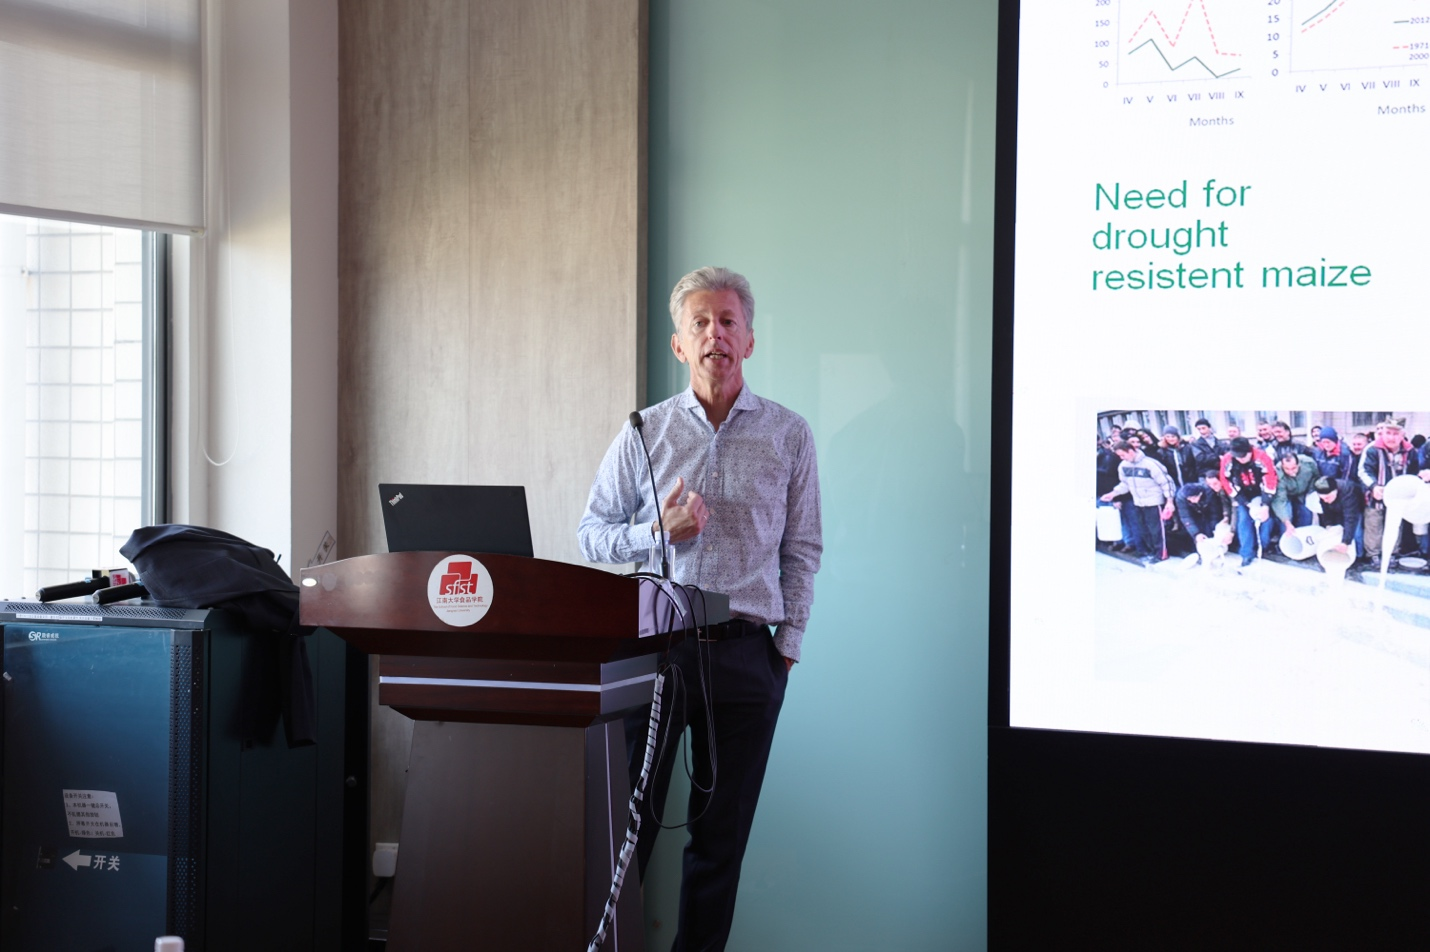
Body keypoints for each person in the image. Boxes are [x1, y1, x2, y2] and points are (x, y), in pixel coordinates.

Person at [577, 266, 822, 952]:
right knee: (626, 838)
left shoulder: (789, 435)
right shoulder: (644, 431)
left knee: (721, 847)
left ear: (750, 340)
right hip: (657, 655)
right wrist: (658, 532)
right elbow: (591, 534)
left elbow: (803, 549)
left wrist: (786, 652)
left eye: (728, 321)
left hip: (747, 661)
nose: (716, 333)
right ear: (680, 344)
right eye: (701, 323)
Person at [1358, 418, 1420, 564]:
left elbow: (1414, 472)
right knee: (1374, 525)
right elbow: (1363, 471)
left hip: (1399, 498)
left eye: (1395, 434)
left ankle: (1392, 553)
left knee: (1395, 525)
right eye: (1388, 433)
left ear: (1402, 435)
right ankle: (1373, 554)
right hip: (1376, 497)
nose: (1391, 437)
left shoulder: (1410, 451)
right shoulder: (1372, 449)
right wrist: (1373, 486)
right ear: (1383, 433)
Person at [1100, 440, 1174, 563]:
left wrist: (1169, 501)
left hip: (1154, 502)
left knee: (1156, 530)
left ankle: (1161, 554)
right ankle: (1152, 552)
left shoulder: (1150, 464)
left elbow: (1166, 482)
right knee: (1144, 530)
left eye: (1123, 455)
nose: (1121, 458)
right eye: (1119, 456)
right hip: (1138, 502)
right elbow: (1125, 484)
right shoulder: (1123, 466)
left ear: (1130, 451)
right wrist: (1113, 493)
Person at [1220, 436, 1278, 566]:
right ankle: (1246, 553)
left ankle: (1262, 547)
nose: (1240, 459)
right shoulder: (1228, 460)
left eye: (1243, 456)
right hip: (1242, 493)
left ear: (1249, 451)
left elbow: (1270, 478)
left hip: (1261, 491)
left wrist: (1265, 504)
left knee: (1265, 520)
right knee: (1243, 520)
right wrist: (1244, 501)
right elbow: (1225, 481)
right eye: (1237, 456)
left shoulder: (1262, 457)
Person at [1175, 468, 1230, 550]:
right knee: (1196, 533)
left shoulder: (1208, 492)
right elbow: (1185, 517)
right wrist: (1196, 534)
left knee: (1210, 530)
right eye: (1189, 499)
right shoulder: (1181, 498)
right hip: (1193, 513)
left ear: (1200, 494)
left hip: (1207, 511)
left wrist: (1214, 529)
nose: (1192, 500)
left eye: (1194, 498)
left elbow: (1214, 512)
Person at [1270, 451, 1318, 542]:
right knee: (1286, 517)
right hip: (1286, 496)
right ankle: (1285, 542)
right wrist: (1287, 522)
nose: (1291, 472)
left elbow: (1316, 477)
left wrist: (1310, 492)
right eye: (1287, 469)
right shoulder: (1278, 473)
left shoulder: (1309, 464)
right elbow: (1279, 501)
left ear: (1298, 464)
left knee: (1307, 514)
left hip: (1304, 493)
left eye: (1293, 468)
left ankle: (1303, 541)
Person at [1313, 476, 1364, 559]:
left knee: (1356, 532)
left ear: (1335, 491)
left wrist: (1345, 542)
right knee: (1336, 530)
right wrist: (1329, 524)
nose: (1325, 500)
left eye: (1327, 497)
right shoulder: (1324, 494)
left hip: (1354, 508)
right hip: (1337, 508)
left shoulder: (1349, 491)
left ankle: (1359, 555)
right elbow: (1326, 510)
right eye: (1322, 498)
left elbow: (1350, 518)